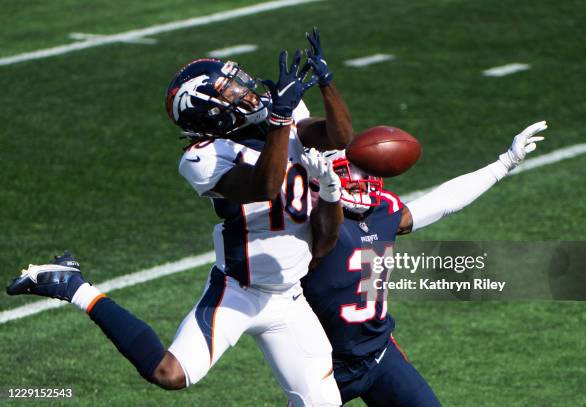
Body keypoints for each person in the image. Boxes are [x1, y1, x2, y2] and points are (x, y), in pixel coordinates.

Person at [7, 29, 351, 407]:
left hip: (289, 296)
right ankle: (74, 286)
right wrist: (280, 120)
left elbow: (340, 136)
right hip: (238, 292)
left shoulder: (278, 117)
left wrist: (327, 84)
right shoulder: (202, 157)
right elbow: (264, 187)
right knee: (170, 374)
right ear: (211, 110)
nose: (246, 91)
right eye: (230, 91)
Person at [301, 121, 548, 406]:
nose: (359, 180)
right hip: (324, 366)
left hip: (380, 354)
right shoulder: (307, 224)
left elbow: (444, 201)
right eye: (347, 172)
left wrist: (504, 163)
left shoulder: (385, 210)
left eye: (365, 171)